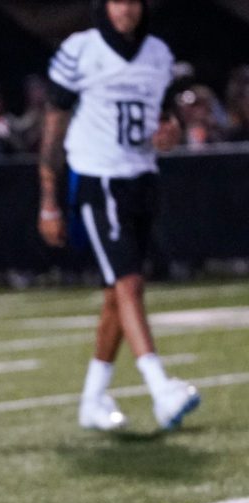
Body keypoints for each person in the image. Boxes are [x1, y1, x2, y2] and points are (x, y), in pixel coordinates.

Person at [39, 0, 199, 432]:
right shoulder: (80, 50)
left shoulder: (158, 53)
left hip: (141, 178)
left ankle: (92, 399)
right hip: (99, 178)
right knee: (129, 283)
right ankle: (160, 388)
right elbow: (53, 128)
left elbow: (165, 123)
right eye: (116, 0)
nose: (124, 9)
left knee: (117, 294)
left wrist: (170, 134)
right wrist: (49, 199)